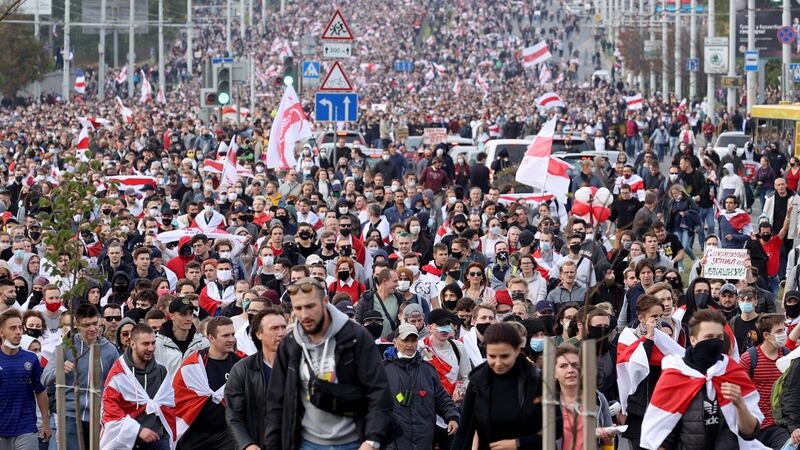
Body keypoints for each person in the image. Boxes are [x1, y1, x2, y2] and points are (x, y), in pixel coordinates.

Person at [265, 277, 393, 450]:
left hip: (355, 442)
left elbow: (378, 390)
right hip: (306, 443)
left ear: (325, 302)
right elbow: (276, 401)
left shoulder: (356, 337)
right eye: (298, 308)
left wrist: (372, 440)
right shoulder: (290, 344)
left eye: (310, 306)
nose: (304, 315)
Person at [640, 310, 763, 449]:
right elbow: (660, 437)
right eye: (709, 337)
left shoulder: (733, 372)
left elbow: (750, 432)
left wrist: (740, 405)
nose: (715, 342)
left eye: (719, 337)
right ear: (693, 340)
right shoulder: (675, 376)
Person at [451, 323, 543, 450]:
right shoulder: (478, 380)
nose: (498, 363)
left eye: (504, 356)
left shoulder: (535, 379)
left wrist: (518, 443)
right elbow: (465, 430)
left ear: (517, 350)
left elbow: (555, 428)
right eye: (492, 356)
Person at [41, 304, 118, 450]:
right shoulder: (66, 347)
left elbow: (117, 384)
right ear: (77, 325)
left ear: (100, 321)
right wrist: (59, 369)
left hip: (99, 416)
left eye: (95, 323)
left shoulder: (110, 350)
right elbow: (44, 379)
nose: (92, 328)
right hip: (70, 415)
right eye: (87, 325)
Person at [616, 294, 685, 449]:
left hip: (662, 410)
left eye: (660, 316)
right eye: (654, 316)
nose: (658, 320)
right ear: (641, 318)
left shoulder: (664, 341)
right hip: (638, 411)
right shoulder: (628, 338)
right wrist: (649, 338)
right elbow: (636, 369)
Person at [383, 322, 460, 450]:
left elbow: (441, 397)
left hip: (423, 440)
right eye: (405, 340)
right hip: (394, 441)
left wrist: (452, 416)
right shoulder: (383, 370)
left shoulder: (428, 369)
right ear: (395, 342)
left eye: (413, 340)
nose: (409, 344)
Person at [100, 324, 174, 450]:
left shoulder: (162, 372)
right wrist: (138, 430)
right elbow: (110, 408)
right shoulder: (118, 374)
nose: (151, 348)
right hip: (127, 442)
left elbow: (169, 405)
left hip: (157, 440)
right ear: (132, 344)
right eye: (145, 344)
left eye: (153, 343)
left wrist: (166, 436)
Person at [173, 316, 239, 450]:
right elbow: (178, 398)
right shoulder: (193, 365)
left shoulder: (240, 364)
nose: (231, 339)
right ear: (211, 338)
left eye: (233, 334)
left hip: (227, 434)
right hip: (195, 436)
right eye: (226, 335)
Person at [226, 308, 288, 450]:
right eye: (274, 328)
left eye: (283, 327)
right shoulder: (243, 369)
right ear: (259, 334)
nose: (281, 333)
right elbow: (234, 416)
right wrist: (247, 444)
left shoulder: (300, 365)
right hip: (258, 443)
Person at [737, 313, 792, 448]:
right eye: (779, 331)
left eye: (784, 330)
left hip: (779, 426)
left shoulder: (787, 356)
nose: (783, 334)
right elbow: (739, 393)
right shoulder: (749, 359)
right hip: (755, 426)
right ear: (766, 335)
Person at [0, 309, 51, 450]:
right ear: (1, 332)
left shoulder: (31, 358)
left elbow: (40, 391)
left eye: (20, 328)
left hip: (26, 428)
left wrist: (46, 423)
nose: (18, 332)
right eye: (12, 328)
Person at [555, 344, 614, 450]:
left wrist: (608, 438)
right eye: (563, 366)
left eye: (575, 365)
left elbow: (608, 444)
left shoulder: (598, 399)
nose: (570, 370)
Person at [154, 297, 209, 376]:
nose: (189, 318)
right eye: (183, 314)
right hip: (168, 388)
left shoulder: (203, 343)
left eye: (191, 313)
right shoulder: (157, 343)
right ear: (172, 316)